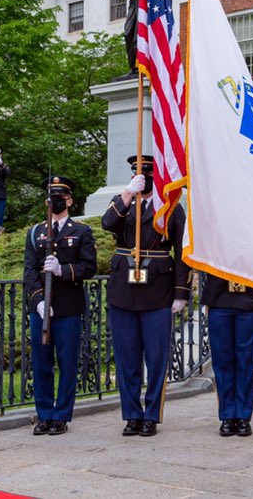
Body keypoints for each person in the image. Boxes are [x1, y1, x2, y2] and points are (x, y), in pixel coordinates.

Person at [101, 154, 190, 437]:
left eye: (147, 174)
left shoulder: (171, 208)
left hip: (157, 292)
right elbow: (107, 223)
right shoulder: (123, 203)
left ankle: (152, 414)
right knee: (127, 358)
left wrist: (181, 292)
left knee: (156, 358)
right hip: (123, 293)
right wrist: (128, 194)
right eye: (137, 175)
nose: (142, 179)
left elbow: (182, 253)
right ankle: (131, 415)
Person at [23, 175, 97, 436]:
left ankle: (61, 415)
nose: (56, 201)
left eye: (61, 197)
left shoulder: (81, 232)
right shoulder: (36, 232)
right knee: (41, 363)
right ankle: (44, 414)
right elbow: (29, 271)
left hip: (68, 308)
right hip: (41, 309)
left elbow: (89, 267)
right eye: (52, 197)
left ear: (70, 201)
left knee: (66, 362)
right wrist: (38, 301)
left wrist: (63, 270)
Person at [202, 273, 253, 437]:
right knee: (222, 361)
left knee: (246, 361)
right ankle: (227, 415)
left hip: (251, 296)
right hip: (218, 296)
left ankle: (243, 415)